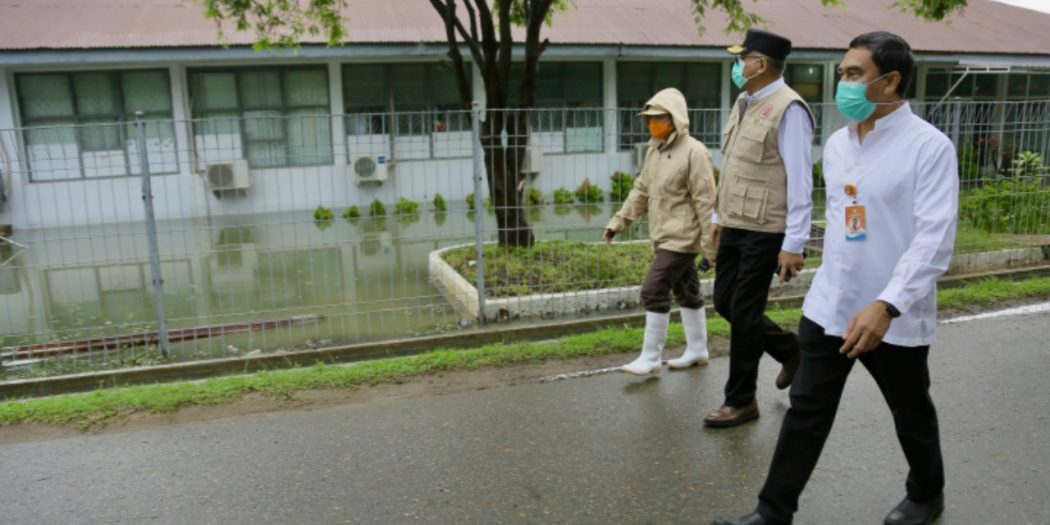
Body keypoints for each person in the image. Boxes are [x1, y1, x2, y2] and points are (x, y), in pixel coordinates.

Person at [713, 31, 958, 525]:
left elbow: (934, 240)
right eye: (842, 73)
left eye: (853, 74)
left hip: (890, 315)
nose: (841, 83)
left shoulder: (928, 148)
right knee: (805, 411)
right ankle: (772, 511)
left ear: (889, 82)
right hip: (831, 306)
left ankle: (927, 492)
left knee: (909, 410)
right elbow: (850, 220)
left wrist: (887, 304)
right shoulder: (843, 144)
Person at [705, 29, 815, 428]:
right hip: (735, 221)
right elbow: (734, 164)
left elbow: (801, 180)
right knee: (725, 302)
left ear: (761, 64)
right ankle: (790, 350)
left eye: (742, 58)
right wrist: (718, 217)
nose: (738, 65)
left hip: (767, 227)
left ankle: (741, 400)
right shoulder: (745, 100)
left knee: (746, 312)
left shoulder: (790, 109)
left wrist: (794, 243)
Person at [603, 87, 718, 375]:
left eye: (659, 118)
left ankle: (651, 357)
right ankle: (698, 350)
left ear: (675, 119)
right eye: (649, 119)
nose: (652, 124)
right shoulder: (655, 150)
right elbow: (641, 191)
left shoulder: (695, 153)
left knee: (653, 289)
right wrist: (618, 222)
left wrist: (711, 247)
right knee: (686, 290)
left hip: (683, 238)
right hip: (664, 234)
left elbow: (706, 203)